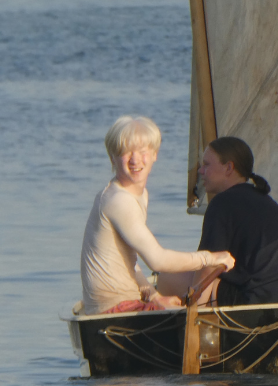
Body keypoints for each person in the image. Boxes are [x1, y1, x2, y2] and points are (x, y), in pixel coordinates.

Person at [80, 116, 235, 315]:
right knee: (201, 304)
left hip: (125, 301)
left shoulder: (137, 194)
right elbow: (158, 260)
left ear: (154, 154)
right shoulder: (119, 200)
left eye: (142, 151)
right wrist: (211, 258)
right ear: (112, 157)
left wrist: (154, 296)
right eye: (126, 152)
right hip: (114, 309)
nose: (135, 160)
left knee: (179, 293)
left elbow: (130, 261)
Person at [196, 137, 278, 306]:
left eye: (206, 165)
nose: (200, 171)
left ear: (229, 167)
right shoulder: (264, 199)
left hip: (262, 300)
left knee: (175, 278)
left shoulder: (221, 203)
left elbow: (207, 267)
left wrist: (191, 307)